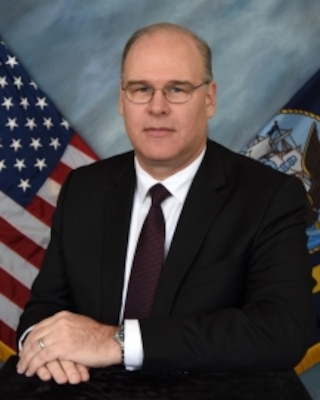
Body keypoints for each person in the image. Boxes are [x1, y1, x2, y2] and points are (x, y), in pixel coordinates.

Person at [16, 22, 315, 386]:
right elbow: (44, 306)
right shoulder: (84, 188)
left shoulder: (269, 196)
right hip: (88, 388)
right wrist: (42, 346)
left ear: (209, 98)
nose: (157, 107)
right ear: (122, 100)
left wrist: (117, 342)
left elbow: (282, 330)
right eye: (141, 89)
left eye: (177, 89)